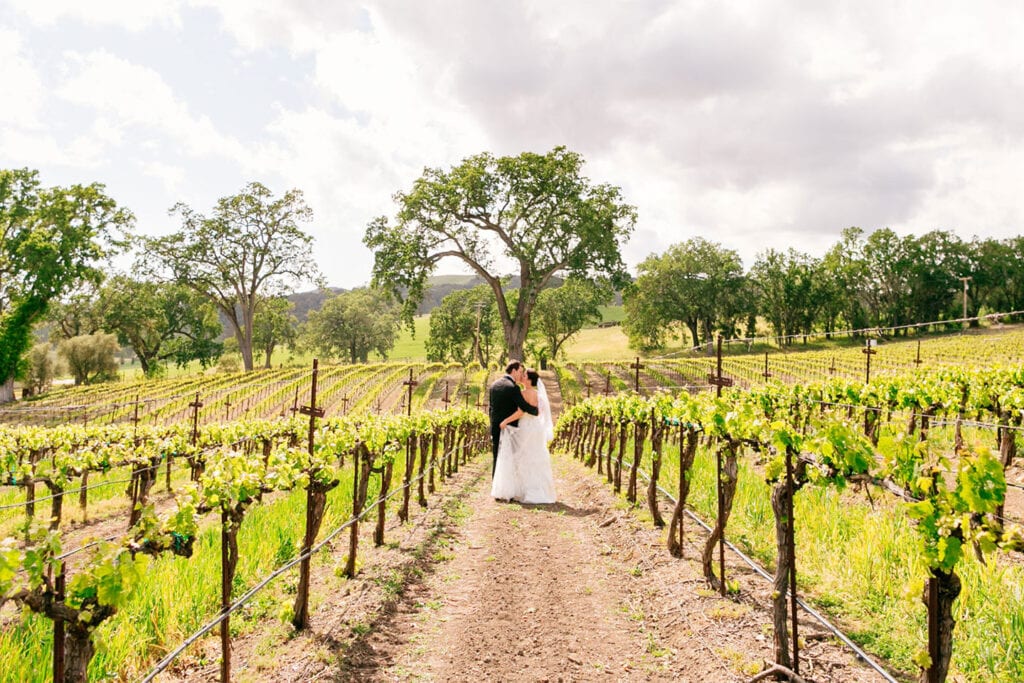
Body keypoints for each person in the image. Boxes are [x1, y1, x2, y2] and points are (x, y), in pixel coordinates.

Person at [490, 369, 557, 504]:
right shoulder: (539, 395)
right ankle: (539, 490)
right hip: (536, 429)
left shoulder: (523, 393)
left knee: (523, 457)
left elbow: (521, 412)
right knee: (536, 456)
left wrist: (506, 421)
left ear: (529, 380)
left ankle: (524, 490)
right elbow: (539, 413)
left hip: (526, 428)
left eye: (525, 375)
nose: (522, 376)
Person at [488, 360, 538, 476]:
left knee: (497, 456)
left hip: (496, 426)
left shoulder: (494, 385)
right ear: (514, 371)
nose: (521, 374)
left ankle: (496, 486)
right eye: (520, 371)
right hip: (509, 428)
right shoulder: (513, 387)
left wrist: (493, 424)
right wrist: (536, 411)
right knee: (510, 457)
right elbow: (524, 407)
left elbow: (491, 408)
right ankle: (508, 487)